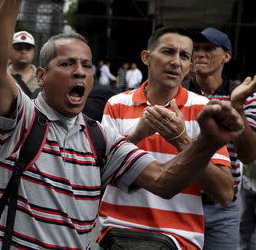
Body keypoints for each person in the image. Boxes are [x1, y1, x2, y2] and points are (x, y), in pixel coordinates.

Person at [0, 0, 243, 249]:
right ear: (41, 75)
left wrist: (206, 142)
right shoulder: (22, 119)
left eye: (87, 65)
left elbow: (164, 181)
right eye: (67, 64)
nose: (80, 72)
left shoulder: (99, 138)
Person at [98, 26, 233, 250]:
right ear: (147, 57)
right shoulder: (117, 104)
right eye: (168, 52)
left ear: (190, 67)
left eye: (184, 56)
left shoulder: (204, 110)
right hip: (117, 235)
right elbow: (99, 172)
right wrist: (138, 134)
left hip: (180, 240)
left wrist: (182, 141)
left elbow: (225, 193)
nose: (176, 62)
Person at [183, 27, 256, 250]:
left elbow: (248, 154)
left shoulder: (244, 96)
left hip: (223, 206)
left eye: (209, 48)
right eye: (196, 49)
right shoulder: (178, 93)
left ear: (226, 55)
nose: (200, 54)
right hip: (180, 200)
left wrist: (236, 107)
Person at [8, 30, 39, 96]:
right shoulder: (3, 76)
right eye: (19, 48)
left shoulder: (42, 77)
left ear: (33, 53)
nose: (23, 52)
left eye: (28, 48)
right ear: (10, 51)